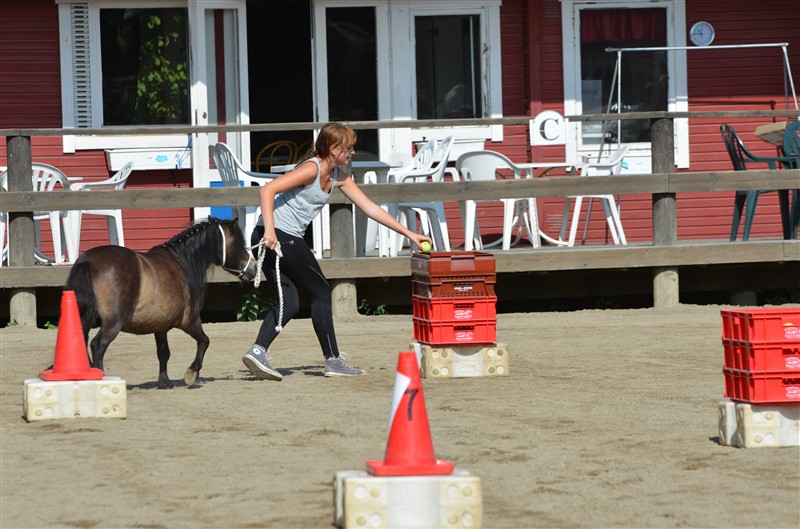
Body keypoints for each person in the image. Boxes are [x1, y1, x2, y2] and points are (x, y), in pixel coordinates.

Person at [242, 122, 432, 381]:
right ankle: (333, 360)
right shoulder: (312, 168)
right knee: (320, 291)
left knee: (292, 302)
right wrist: (271, 231)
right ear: (332, 149)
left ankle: (257, 351)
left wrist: (409, 234)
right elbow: (267, 189)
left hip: (277, 236)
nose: (352, 152)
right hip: (277, 236)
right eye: (348, 148)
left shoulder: (339, 176)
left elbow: (370, 208)